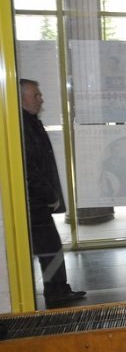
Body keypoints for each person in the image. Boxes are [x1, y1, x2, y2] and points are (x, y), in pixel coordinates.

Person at [19, 79, 86, 304]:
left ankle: (57, 289)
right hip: (34, 202)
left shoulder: (30, 123)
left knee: (50, 249)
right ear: (21, 98)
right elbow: (30, 169)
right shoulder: (23, 127)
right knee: (49, 249)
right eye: (35, 95)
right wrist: (49, 195)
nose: (41, 99)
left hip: (37, 200)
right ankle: (56, 292)